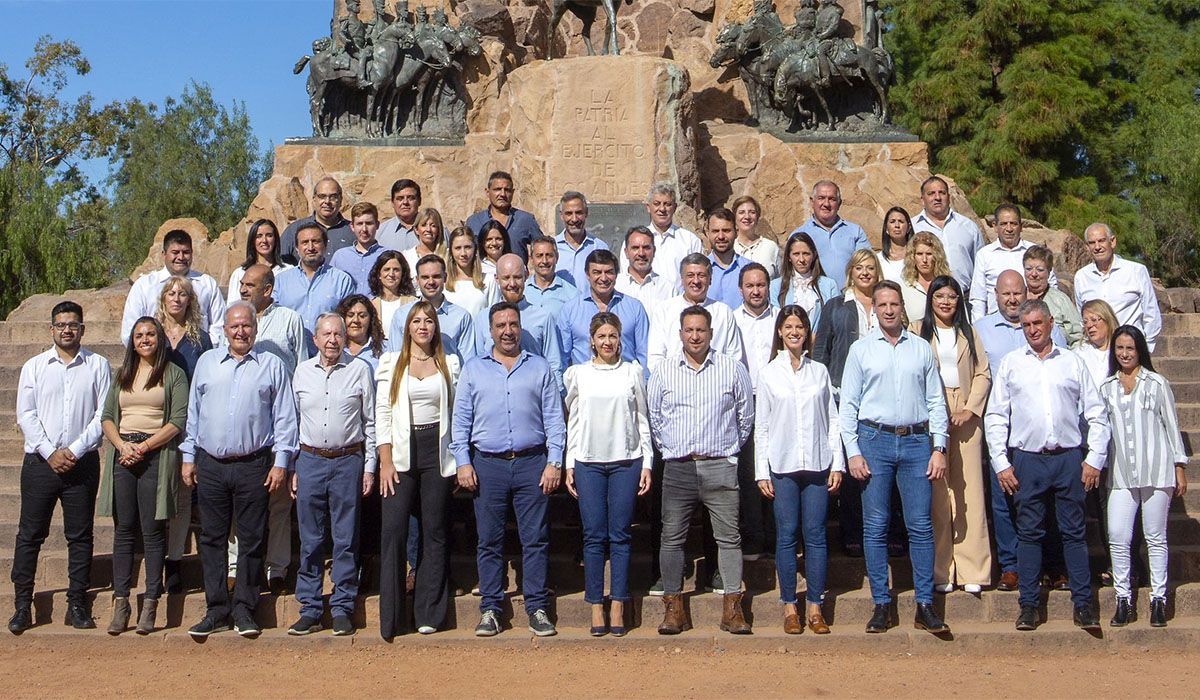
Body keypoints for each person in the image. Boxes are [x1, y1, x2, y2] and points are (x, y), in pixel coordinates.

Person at [985, 299, 1110, 632]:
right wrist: (1001, 462)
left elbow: (1097, 413)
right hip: (1027, 459)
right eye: (1026, 325)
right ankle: (1028, 606)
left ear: (1051, 322)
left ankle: (1083, 605)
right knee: (1028, 534)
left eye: (1037, 323)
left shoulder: (1072, 362)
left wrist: (1094, 458)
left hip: (1069, 458)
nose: (1032, 330)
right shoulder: (1012, 364)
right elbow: (996, 416)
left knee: (1074, 533)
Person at [181, 302, 299, 639]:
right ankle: (216, 609)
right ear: (224, 330)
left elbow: (285, 419)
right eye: (234, 326)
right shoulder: (206, 363)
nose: (241, 332)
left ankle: (245, 609)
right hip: (211, 465)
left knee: (250, 539)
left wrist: (280, 463)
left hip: (254, 465)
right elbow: (194, 415)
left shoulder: (272, 365)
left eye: (246, 326)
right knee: (212, 539)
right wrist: (188, 458)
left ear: (255, 329)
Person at [839, 280, 950, 635]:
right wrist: (853, 451)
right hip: (874, 441)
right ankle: (881, 604)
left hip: (917, 442)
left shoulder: (920, 349)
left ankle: (925, 604)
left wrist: (940, 446)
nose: (888, 309)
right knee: (875, 526)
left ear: (903, 307)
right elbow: (848, 406)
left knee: (920, 525)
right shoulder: (861, 350)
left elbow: (936, 401)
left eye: (894, 304)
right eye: (882, 304)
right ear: (875, 308)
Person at [450, 302, 566, 638]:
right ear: (491, 330)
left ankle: (538, 607)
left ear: (521, 327)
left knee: (536, 540)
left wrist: (554, 461)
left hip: (533, 463)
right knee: (489, 541)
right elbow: (461, 421)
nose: (508, 331)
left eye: (513, 324)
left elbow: (554, 420)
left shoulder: (539, 367)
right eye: (500, 325)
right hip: (487, 465)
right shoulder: (474, 369)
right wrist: (463, 461)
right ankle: (490, 608)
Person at [649, 305, 754, 635]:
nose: (695, 336)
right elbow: (655, 418)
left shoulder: (731, 369)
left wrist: (729, 453)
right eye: (689, 330)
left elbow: (745, 416)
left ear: (711, 333)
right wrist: (670, 450)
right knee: (672, 539)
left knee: (729, 538)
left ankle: (733, 608)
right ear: (680, 334)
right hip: (679, 468)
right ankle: (673, 609)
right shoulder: (664, 371)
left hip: (719, 465)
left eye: (701, 330)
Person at [10, 301, 111, 633]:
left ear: (82, 329)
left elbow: (104, 415)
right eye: (61, 325)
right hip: (40, 463)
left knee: (80, 536)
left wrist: (76, 449)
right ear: (51, 329)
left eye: (73, 324)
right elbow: (26, 415)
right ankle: (23, 605)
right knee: (29, 535)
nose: (67, 329)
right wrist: (50, 451)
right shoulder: (35, 367)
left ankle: (77, 603)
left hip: (81, 465)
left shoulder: (98, 365)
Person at [972, 271, 1068, 593]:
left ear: (1026, 292)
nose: (1012, 299)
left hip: (1043, 429)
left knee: (1047, 500)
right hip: (1002, 426)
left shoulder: (1045, 327)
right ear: (995, 295)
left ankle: (1053, 565)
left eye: (1017, 293)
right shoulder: (981, 330)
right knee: (1002, 500)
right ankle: (1011, 566)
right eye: (1005, 294)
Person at [754, 305, 843, 634]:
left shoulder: (818, 371)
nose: (794, 331)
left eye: (800, 326)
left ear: (807, 333)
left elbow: (832, 422)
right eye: (788, 326)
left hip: (818, 463)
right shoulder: (768, 374)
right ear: (779, 331)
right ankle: (790, 605)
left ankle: (815, 607)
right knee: (787, 534)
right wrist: (761, 471)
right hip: (783, 464)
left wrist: (838, 463)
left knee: (817, 536)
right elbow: (761, 426)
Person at [376, 302, 461, 638]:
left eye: (428, 321)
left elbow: (458, 411)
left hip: (436, 453)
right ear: (407, 327)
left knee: (435, 530)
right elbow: (382, 413)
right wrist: (384, 460)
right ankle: (393, 617)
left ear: (435, 327)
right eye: (416, 321)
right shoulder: (391, 363)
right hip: (399, 453)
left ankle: (429, 613)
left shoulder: (449, 364)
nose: (423, 326)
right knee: (394, 531)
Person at [98, 317, 189, 635]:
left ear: (160, 338)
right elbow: (108, 417)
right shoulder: (122, 374)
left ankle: (151, 602)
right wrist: (123, 446)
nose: (145, 339)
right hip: (124, 455)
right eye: (139, 335)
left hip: (155, 455)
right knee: (124, 531)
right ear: (132, 341)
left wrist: (145, 447)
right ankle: (120, 603)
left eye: (151, 334)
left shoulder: (173, 374)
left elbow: (177, 420)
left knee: (152, 534)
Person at [564, 312, 652, 637]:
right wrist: (569, 463)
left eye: (613, 336)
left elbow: (642, 418)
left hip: (626, 461)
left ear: (620, 339)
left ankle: (618, 601)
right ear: (592, 340)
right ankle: (595, 604)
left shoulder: (632, 373)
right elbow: (573, 421)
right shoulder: (578, 375)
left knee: (621, 534)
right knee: (593, 535)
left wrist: (647, 463)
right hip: (588, 462)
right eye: (601, 336)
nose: (607, 342)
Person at [288, 314, 376, 637]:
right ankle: (310, 608)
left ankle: (342, 607)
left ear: (345, 337)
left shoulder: (359, 370)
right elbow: (292, 423)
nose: (332, 340)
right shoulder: (301, 373)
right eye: (326, 334)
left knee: (345, 537)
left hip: (347, 460)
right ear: (315, 339)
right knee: (310, 539)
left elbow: (371, 423)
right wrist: (293, 465)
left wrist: (369, 468)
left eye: (338, 334)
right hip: (310, 460)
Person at [1099, 325, 1188, 628]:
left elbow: (1171, 426)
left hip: (1156, 470)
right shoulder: (1107, 387)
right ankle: (1123, 599)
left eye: (1130, 349)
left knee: (1155, 537)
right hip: (1122, 473)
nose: (1124, 354)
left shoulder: (1157, 383)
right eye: (1120, 348)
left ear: (1140, 351)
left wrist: (1179, 466)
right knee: (1119, 537)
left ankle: (1158, 600)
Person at [913, 277, 993, 593]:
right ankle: (941, 570)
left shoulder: (969, 333)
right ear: (931, 299)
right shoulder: (918, 329)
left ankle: (974, 568)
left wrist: (970, 409)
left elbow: (983, 373)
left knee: (969, 490)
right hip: (932, 408)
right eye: (940, 295)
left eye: (951, 296)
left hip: (966, 411)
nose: (946, 302)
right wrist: (934, 413)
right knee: (937, 494)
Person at [156, 276, 213, 593]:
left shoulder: (200, 341)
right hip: (153, 426)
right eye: (171, 293)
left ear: (191, 301)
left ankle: (174, 562)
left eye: (182, 293)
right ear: (163, 298)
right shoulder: (150, 333)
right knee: (155, 498)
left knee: (180, 499)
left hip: (189, 428)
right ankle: (154, 560)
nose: (176, 298)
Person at [733, 263, 779, 560]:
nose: (756, 290)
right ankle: (752, 537)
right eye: (750, 286)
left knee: (777, 469)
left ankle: (778, 537)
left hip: (778, 402)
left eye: (761, 285)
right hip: (746, 401)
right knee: (749, 472)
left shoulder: (781, 318)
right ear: (741, 289)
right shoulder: (731, 319)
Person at [473, 254, 566, 393]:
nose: (512, 284)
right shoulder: (482, 318)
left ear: (526, 276)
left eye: (517, 277)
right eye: (506, 278)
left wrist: (557, 397)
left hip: (533, 395)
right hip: (494, 394)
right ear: (497, 279)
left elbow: (553, 363)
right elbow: (479, 363)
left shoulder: (543, 317)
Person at [122, 229, 226, 343]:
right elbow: (130, 330)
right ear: (164, 254)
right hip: (156, 357)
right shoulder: (144, 286)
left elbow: (219, 326)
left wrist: (207, 353)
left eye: (186, 252)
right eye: (175, 252)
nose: (181, 257)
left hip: (199, 356)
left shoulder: (207, 284)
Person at [647, 253, 745, 374]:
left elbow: (734, 357)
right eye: (690, 275)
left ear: (710, 280)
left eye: (702, 275)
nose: (696, 281)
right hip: (675, 385)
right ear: (682, 279)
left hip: (715, 384)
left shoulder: (724, 312)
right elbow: (655, 358)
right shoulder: (663, 311)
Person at [1074, 222, 1162, 352]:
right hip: (1097, 352)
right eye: (1092, 243)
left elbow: (1151, 314)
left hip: (1130, 350)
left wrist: (1145, 349)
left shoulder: (1136, 271)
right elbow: (1082, 317)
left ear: (1113, 242)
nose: (1097, 247)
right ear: (1087, 247)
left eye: (1102, 241)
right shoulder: (1081, 277)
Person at [558, 249, 650, 369]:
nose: (603, 278)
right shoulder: (570, 310)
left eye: (609, 272)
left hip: (625, 382)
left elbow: (644, 354)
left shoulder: (635, 308)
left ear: (616, 274)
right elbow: (563, 357)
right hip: (584, 384)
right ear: (587, 274)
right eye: (597, 272)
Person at [968, 204, 1058, 319]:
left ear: (1021, 227)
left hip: (1031, 322)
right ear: (995, 227)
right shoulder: (984, 254)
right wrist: (979, 328)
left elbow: (1052, 287)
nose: (1009, 229)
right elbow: (978, 298)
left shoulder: (1034, 252)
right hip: (995, 321)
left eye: (1013, 224)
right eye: (1004, 224)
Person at [273, 224, 358, 343]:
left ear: (325, 246)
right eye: (305, 242)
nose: (310, 247)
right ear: (297, 248)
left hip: (329, 353)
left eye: (316, 241)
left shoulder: (342, 280)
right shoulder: (280, 281)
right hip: (290, 353)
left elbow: (349, 320)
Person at [386, 255, 477, 362]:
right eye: (425, 277)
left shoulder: (461, 317)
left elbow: (467, 362)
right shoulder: (402, 314)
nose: (431, 282)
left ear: (445, 278)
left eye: (436, 276)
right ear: (417, 280)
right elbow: (395, 357)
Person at [620, 182, 703, 292]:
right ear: (648, 207)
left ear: (674, 207)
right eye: (657, 203)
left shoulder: (690, 241)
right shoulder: (633, 240)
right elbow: (626, 276)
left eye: (667, 204)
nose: (662, 209)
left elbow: (699, 277)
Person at [787, 180, 870, 288]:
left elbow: (866, 264)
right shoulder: (799, 235)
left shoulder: (855, 232)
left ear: (839, 203)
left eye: (832, 199)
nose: (826, 204)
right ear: (812, 202)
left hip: (848, 297)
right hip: (815, 298)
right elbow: (789, 272)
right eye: (821, 198)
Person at [912, 176, 985, 292]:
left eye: (942, 193)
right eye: (931, 193)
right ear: (922, 199)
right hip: (926, 297)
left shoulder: (968, 226)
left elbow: (981, 265)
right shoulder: (912, 228)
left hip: (965, 297)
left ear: (949, 197)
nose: (937, 197)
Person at [237, 265, 309, 373]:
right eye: (242, 284)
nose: (242, 290)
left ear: (267, 290)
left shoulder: (290, 319)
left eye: (250, 285)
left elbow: (302, 366)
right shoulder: (233, 318)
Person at [465, 170, 544, 261]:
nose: (502, 194)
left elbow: (543, 247)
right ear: (487, 192)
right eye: (497, 189)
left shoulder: (525, 220)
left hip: (516, 274)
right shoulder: (474, 222)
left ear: (513, 192)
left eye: (507, 190)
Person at [769, 231, 839, 329]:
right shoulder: (775, 286)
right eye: (796, 254)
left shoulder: (829, 285)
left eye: (806, 254)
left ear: (814, 255)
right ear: (789, 257)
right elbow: (775, 321)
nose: (801, 259)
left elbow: (835, 320)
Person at [280, 176, 353, 264]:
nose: (327, 201)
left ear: (340, 200)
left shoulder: (353, 231)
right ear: (314, 199)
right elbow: (280, 264)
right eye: (322, 196)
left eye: (333, 197)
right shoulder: (294, 230)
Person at [1023, 244, 1083, 347]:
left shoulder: (1060, 300)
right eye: (1029, 269)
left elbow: (1078, 337)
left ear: (1049, 271)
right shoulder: (1017, 299)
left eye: (1040, 269)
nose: (1034, 274)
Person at [226, 219, 294, 304]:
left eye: (269, 235)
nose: (264, 240)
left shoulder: (288, 271)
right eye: (259, 236)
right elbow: (233, 306)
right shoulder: (240, 273)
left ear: (275, 239)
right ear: (252, 241)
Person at [555, 191, 611, 288]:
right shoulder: (553, 248)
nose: (574, 219)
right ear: (561, 215)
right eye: (569, 213)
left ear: (586, 213)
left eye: (579, 213)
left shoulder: (599, 247)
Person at [330, 202, 387, 296]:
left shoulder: (387, 255)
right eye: (360, 224)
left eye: (369, 223)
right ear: (352, 227)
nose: (364, 229)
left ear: (377, 225)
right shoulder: (340, 257)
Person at [615, 226, 677, 308]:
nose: (641, 253)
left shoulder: (668, 289)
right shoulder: (616, 286)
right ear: (626, 252)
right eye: (635, 248)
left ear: (654, 251)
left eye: (646, 248)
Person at [444, 226, 498, 317]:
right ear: (451, 252)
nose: (463, 253)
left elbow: (495, 315)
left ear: (475, 249)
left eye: (468, 247)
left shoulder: (488, 281)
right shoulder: (443, 284)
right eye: (458, 248)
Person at [899, 233, 952, 325]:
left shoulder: (949, 284)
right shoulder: (903, 286)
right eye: (919, 254)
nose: (924, 259)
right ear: (912, 257)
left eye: (929, 254)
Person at [706, 208, 753, 309]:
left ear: (736, 232)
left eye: (726, 231)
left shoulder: (751, 270)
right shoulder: (699, 272)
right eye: (715, 231)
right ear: (707, 233)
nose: (721, 236)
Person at [524, 236, 580, 316]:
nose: (544, 261)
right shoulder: (523, 291)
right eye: (539, 256)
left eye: (549, 255)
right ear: (531, 259)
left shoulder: (572, 295)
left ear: (557, 257)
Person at [368, 250, 418, 341]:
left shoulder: (413, 303)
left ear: (403, 273)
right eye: (387, 269)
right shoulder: (371, 305)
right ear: (379, 274)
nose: (391, 274)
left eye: (396, 270)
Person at [732, 195, 781, 278]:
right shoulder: (731, 248)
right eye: (741, 212)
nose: (747, 217)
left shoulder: (770, 247)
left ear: (757, 217)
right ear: (735, 217)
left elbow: (781, 281)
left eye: (752, 212)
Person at [1077, 299, 1120, 389]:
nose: (1089, 325)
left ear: (1108, 319)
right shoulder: (1079, 354)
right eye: (1085, 322)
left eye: (1094, 320)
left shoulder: (1121, 350)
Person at [339, 294, 386, 375]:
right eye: (350, 315)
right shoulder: (334, 347)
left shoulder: (385, 349)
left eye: (362, 316)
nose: (356, 320)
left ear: (370, 319)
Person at [376, 178, 422, 251]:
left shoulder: (436, 231)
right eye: (400, 198)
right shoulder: (380, 233)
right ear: (392, 203)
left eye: (410, 198)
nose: (405, 202)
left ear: (419, 201)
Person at [401, 208, 448, 276]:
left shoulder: (447, 255)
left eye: (433, 226)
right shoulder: (407, 256)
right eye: (424, 225)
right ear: (416, 229)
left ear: (438, 230)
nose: (428, 229)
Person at [875, 206, 913, 283]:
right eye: (892, 222)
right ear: (886, 228)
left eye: (901, 221)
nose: (897, 225)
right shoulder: (878, 260)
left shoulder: (918, 257)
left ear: (908, 227)